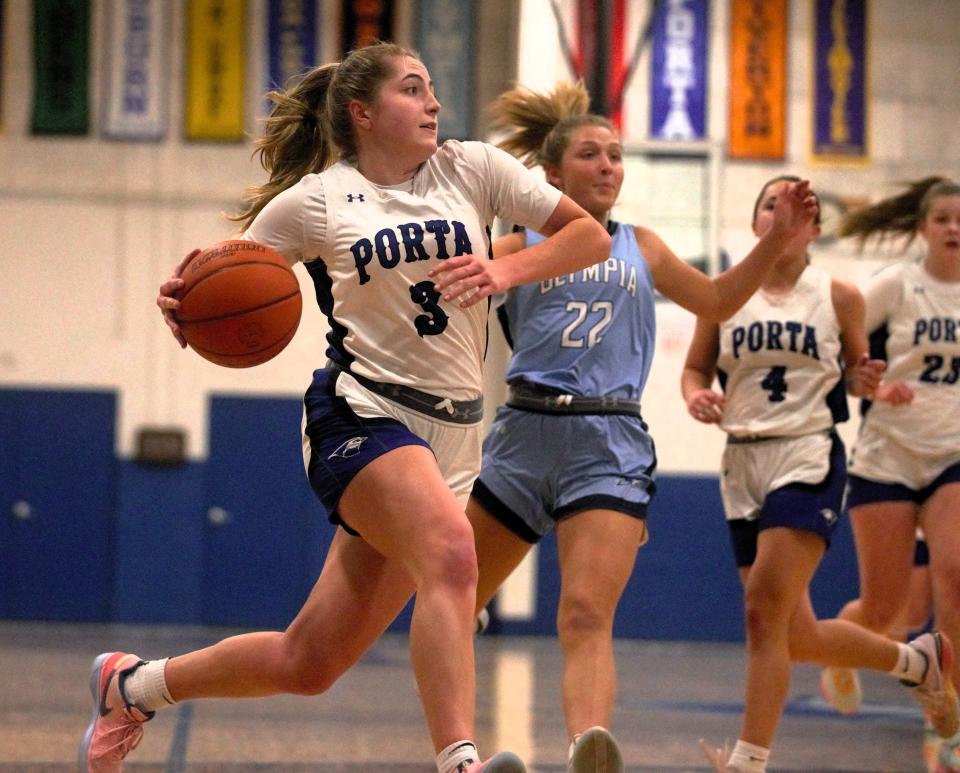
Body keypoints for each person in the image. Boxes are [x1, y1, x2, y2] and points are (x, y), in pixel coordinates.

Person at [79, 43, 614, 773]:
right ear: (363, 112)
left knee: (310, 661)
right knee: (454, 556)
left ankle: (132, 685)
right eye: (412, 89)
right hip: (361, 414)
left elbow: (588, 234)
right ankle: (460, 759)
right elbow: (228, 274)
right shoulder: (318, 201)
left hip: (457, 435)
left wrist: (502, 267)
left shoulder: (473, 169)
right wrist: (183, 295)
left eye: (431, 89)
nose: (432, 102)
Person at [463, 83, 818, 773]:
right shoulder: (518, 243)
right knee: (451, 602)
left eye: (616, 156)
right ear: (553, 176)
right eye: (591, 155)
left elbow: (716, 297)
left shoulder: (641, 246)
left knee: (585, 613)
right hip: (522, 436)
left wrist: (774, 242)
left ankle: (586, 748)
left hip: (608, 442)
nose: (607, 166)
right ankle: (464, 757)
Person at [681, 176, 958, 773]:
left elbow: (861, 372)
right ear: (755, 222)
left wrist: (870, 382)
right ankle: (917, 664)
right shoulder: (721, 297)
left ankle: (749, 761)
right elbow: (695, 370)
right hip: (742, 462)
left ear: (813, 227)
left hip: (807, 454)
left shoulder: (838, 295)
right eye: (769, 206)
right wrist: (696, 396)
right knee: (797, 635)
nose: (782, 217)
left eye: (796, 208)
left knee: (762, 610)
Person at [819, 177, 960, 772]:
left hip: (951, 452)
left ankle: (948, 719)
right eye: (943, 219)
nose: (954, 229)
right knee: (887, 613)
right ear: (923, 229)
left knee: (955, 576)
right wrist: (868, 377)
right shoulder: (899, 286)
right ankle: (841, 654)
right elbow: (830, 329)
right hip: (888, 455)